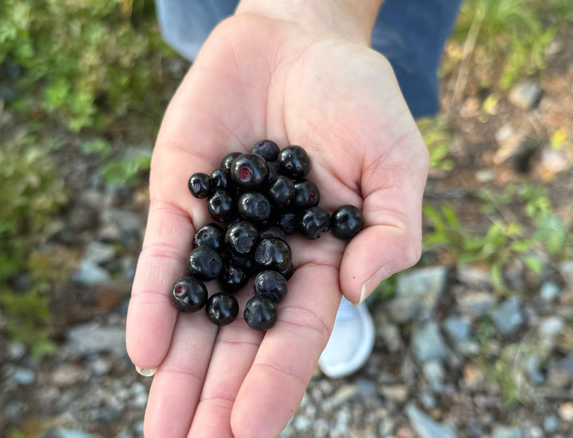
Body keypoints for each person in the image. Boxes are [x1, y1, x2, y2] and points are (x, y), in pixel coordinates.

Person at [125, 0, 462, 436]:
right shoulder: (235, 219)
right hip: (235, 50)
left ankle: (339, 287)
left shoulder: (277, 204)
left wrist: (319, 15)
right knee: (207, 38)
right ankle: (338, 286)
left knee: (389, 67)